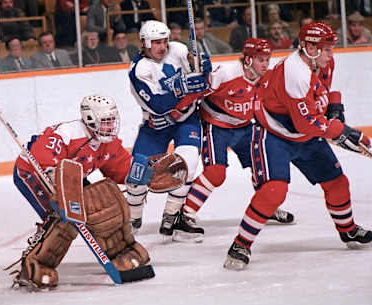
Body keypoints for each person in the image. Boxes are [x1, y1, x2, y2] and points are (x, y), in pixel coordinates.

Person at [223, 22, 372, 270]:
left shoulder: (323, 61)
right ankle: (241, 243)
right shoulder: (296, 72)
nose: (330, 54)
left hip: (303, 133)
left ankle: (348, 231)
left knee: (337, 182)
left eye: (330, 48)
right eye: (325, 49)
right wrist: (341, 131)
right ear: (309, 47)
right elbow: (306, 123)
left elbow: (324, 90)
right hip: (274, 133)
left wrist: (335, 106)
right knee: (274, 190)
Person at [10, 94, 176, 289]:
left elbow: (121, 168)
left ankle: (121, 252)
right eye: (105, 121)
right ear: (90, 119)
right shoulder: (67, 134)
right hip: (33, 173)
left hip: (70, 176)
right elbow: (43, 160)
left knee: (105, 202)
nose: (110, 126)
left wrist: (147, 175)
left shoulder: (107, 141)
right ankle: (34, 266)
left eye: (112, 121)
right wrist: (63, 192)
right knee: (63, 218)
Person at [181, 38, 295, 237]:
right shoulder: (226, 73)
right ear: (248, 60)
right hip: (216, 126)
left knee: (265, 165)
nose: (265, 64)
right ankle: (185, 215)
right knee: (216, 173)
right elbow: (197, 92)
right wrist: (198, 77)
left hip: (244, 127)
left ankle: (267, 207)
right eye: (261, 59)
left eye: (267, 59)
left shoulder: (266, 78)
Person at [126, 20, 210, 241]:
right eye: (156, 43)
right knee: (137, 174)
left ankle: (173, 218)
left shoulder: (180, 50)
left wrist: (202, 66)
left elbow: (201, 76)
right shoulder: (138, 70)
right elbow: (159, 105)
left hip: (186, 119)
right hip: (157, 124)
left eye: (164, 41)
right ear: (144, 43)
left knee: (189, 163)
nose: (162, 47)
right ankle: (132, 220)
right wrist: (183, 87)